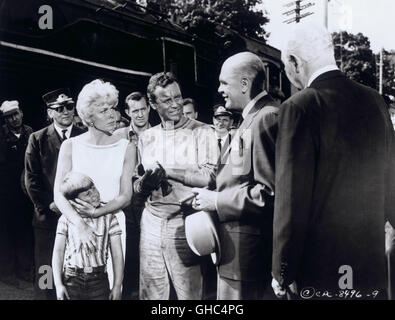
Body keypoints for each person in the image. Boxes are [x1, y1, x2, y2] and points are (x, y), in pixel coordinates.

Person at [271, 23, 395, 299]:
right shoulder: (375, 101)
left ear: (294, 61)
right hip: (370, 266)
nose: (289, 76)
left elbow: (291, 201)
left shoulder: (299, 107)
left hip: (319, 270)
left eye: (285, 67)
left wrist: (283, 271)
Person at [191, 52, 279, 299]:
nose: (219, 89)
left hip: (246, 259)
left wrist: (216, 201)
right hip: (236, 256)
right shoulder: (252, 118)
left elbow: (268, 193)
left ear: (244, 84)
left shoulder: (266, 118)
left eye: (224, 83)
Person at [136, 72, 216, 300]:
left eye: (178, 97)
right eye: (167, 100)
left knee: (189, 294)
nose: (176, 104)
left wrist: (169, 172)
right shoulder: (147, 136)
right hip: (151, 221)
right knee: (151, 294)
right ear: (152, 103)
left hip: (186, 221)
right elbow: (137, 186)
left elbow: (210, 177)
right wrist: (145, 184)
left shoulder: (203, 131)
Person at [53, 79, 136, 289]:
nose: (112, 115)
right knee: (74, 287)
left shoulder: (127, 147)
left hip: (113, 224)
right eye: (104, 110)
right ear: (89, 117)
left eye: (113, 108)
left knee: (110, 288)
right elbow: (58, 195)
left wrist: (98, 214)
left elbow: (126, 195)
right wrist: (79, 224)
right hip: (74, 226)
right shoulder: (70, 146)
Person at [25, 88, 86, 299]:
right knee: (46, 271)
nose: (65, 112)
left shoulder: (84, 136)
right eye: (59, 109)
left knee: (77, 269)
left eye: (69, 107)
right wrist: (53, 205)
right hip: (48, 219)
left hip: (80, 216)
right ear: (50, 112)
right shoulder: (37, 139)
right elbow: (31, 180)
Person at [52, 172, 123, 300]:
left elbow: (117, 254)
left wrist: (117, 285)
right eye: (87, 194)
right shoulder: (66, 219)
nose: (94, 193)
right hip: (71, 280)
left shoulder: (109, 217)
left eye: (93, 187)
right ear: (74, 201)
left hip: (99, 281)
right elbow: (58, 252)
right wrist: (58, 284)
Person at [114, 91, 151, 300]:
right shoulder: (118, 136)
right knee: (128, 249)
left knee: (149, 252)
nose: (139, 115)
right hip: (126, 201)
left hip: (150, 198)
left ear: (149, 108)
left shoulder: (159, 133)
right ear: (127, 113)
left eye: (143, 109)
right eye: (134, 111)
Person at [0, 100, 34, 287]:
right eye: (9, 117)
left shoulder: (31, 133)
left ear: (21, 113)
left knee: (25, 231)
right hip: (5, 193)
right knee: (6, 232)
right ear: (5, 120)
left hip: (26, 192)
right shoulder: (1, 136)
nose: (14, 119)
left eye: (16, 114)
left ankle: (24, 270)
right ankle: (7, 273)